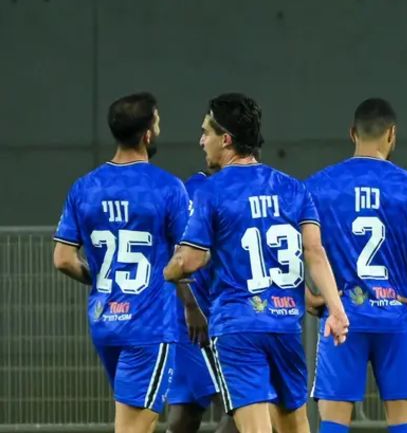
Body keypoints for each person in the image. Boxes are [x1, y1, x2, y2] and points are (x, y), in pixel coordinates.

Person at [163, 93, 349, 433]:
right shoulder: (293, 188)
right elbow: (314, 252)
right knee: (296, 426)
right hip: (284, 326)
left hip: (238, 327)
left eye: (206, 132)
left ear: (226, 139)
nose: (202, 141)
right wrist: (337, 311)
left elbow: (189, 260)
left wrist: (169, 269)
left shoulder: (211, 191)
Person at [306, 98, 407, 433]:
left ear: (353, 133)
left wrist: (307, 296)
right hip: (396, 318)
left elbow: (282, 239)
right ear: (392, 134)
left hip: (342, 318)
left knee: (334, 423)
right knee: (403, 424)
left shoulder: (319, 185)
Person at [53, 92, 206, 433]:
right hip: (148, 326)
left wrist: (100, 279)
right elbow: (185, 257)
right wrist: (191, 306)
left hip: (104, 322)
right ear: (147, 134)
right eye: (158, 123)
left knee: (137, 421)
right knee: (133, 427)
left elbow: (63, 259)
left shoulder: (84, 188)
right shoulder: (168, 187)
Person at [166, 164, 237, 433]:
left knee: (186, 413)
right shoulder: (193, 190)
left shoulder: (242, 189)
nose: (202, 143)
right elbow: (177, 254)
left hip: (218, 318)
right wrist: (191, 305)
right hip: (195, 322)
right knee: (238, 408)